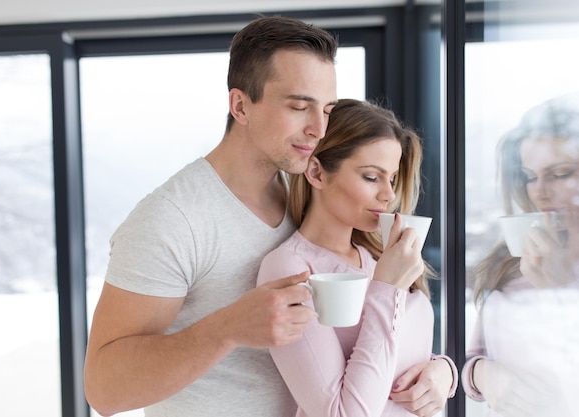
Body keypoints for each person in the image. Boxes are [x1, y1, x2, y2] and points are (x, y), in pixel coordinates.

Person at [83, 16, 338, 417]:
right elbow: (104, 390)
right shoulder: (172, 219)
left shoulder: (308, 193)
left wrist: (437, 372)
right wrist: (228, 328)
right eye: (298, 106)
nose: (318, 129)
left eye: (326, 109)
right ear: (240, 105)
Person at [257, 99, 458, 417]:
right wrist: (387, 287)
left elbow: (398, 352)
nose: (389, 195)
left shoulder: (379, 258)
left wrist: (444, 372)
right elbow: (342, 413)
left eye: (391, 178)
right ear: (316, 173)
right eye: (371, 177)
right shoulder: (291, 268)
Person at [462, 93, 579, 417]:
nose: (540, 191)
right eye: (530, 176)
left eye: (560, 174)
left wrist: (565, 289)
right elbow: (472, 356)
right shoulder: (516, 256)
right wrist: (482, 375)